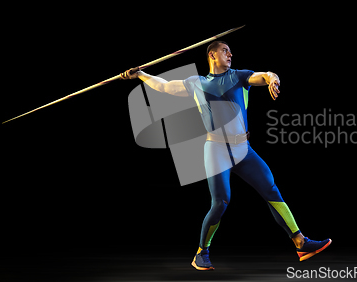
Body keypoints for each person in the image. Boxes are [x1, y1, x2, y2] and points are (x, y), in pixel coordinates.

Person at [120, 41, 331, 270]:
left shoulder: (240, 76)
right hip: (216, 149)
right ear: (212, 54)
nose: (230, 54)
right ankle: (201, 252)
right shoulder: (196, 83)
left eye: (230, 51)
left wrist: (273, 78)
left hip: (243, 149)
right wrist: (140, 74)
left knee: (271, 189)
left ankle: (300, 242)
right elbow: (163, 86)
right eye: (225, 50)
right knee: (221, 202)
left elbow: (265, 75)